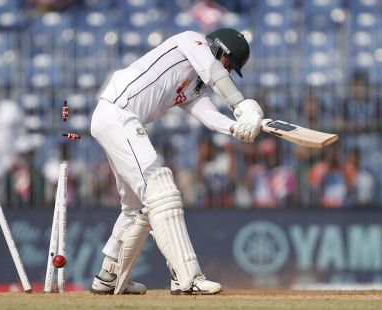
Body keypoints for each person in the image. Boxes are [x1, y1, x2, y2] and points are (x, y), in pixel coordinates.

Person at [90, 28, 264, 295]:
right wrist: (242, 106)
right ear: (218, 49)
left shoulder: (195, 85)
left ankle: (108, 275)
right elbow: (216, 74)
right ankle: (187, 277)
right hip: (118, 113)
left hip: (119, 121)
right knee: (162, 190)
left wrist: (235, 128)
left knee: (135, 206)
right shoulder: (191, 41)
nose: (227, 71)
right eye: (229, 64)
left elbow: (208, 115)